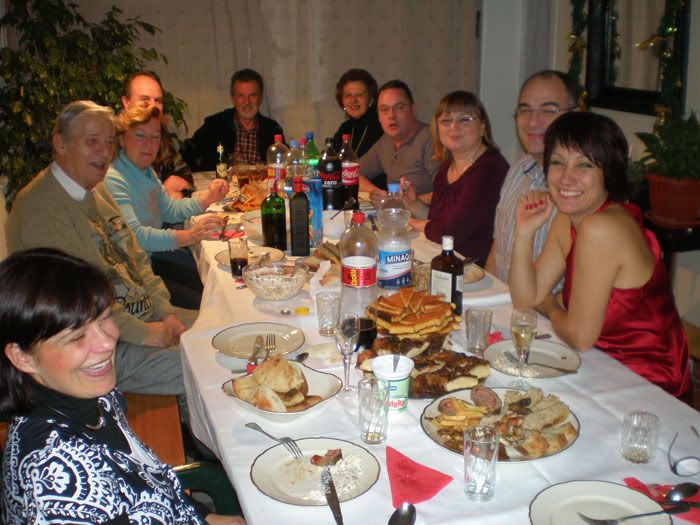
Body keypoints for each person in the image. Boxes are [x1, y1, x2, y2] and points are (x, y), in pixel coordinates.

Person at [0, 248, 245, 525]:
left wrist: (204, 516)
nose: (107, 343)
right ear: (22, 357)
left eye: (104, 318)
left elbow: (149, 480)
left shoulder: (93, 398)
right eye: (77, 337)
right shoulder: (60, 482)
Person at [6, 100, 189, 399]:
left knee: (224, 329)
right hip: (98, 346)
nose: (104, 153)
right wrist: (145, 333)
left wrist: (166, 313)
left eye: (109, 142)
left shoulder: (98, 189)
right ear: (60, 144)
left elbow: (137, 258)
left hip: (142, 320)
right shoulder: (39, 208)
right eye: (92, 141)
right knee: (203, 364)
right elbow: (78, 304)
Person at [509, 112, 690, 398]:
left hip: (648, 385)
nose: (566, 177)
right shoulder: (568, 220)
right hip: (602, 366)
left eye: (584, 164)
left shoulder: (602, 228)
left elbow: (580, 337)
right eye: (557, 162)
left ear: (609, 173)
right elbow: (524, 300)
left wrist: (552, 308)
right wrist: (524, 232)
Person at [105, 105, 229, 310]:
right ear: (121, 138)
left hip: (152, 259)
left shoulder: (145, 171)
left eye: (155, 137)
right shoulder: (115, 178)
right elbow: (136, 237)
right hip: (135, 275)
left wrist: (207, 199)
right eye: (140, 135)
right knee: (210, 299)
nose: (149, 144)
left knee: (215, 281)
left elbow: (169, 210)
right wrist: (191, 235)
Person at [485, 70, 581, 282]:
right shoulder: (518, 169)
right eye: (525, 110)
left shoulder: (581, 188)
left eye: (548, 110)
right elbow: (498, 247)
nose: (532, 122)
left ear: (576, 115)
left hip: (544, 304)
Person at [404, 90, 509, 266]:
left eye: (464, 119)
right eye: (446, 120)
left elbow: (451, 233)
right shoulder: (447, 166)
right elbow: (438, 221)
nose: (454, 126)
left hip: (477, 269)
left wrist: (415, 223)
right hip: (448, 259)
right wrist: (414, 203)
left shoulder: (489, 169)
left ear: (482, 127)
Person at [182, 68, 285, 171]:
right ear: (233, 98)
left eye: (252, 95)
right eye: (241, 96)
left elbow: (284, 163)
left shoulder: (272, 129)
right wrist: (194, 175)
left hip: (261, 181)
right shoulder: (214, 125)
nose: (247, 102)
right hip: (222, 181)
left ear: (260, 97)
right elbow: (187, 151)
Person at [358, 79, 440, 203]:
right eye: (384, 109)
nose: (391, 115)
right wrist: (379, 194)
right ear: (378, 116)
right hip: (396, 212)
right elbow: (352, 173)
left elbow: (447, 192)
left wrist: (403, 202)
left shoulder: (431, 138)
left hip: (425, 213)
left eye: (399, 107)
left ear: (413, 109)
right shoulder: (385, 141)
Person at [122, 71, 195, 200]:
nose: (153, 106)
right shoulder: (112, 141)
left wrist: (178, 192)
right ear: (126, 103)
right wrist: (163, 192)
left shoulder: (161, 136)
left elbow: (185, 175)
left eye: (158, 101)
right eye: (144, 100)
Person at [331, 68, 384, 157]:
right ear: (342, 101)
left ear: (371, 99)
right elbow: (329, 156)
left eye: (359, 94)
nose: (353, 100)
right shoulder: (345, 127)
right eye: (348, 95)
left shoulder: (381, 125)